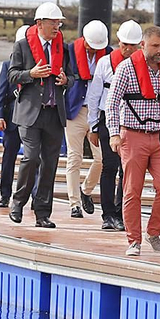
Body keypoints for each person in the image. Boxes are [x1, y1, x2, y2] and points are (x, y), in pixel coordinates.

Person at [107, 24, 160, 257]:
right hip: (133, 135)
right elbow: (112, 102)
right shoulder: (126, 69)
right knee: (131, 190)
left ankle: (153, 232)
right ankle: (134, 240)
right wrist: (114, 133)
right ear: (143, 45)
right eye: (155, 46)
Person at [7, 2, 69, 228]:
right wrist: (30, 74)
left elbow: (70, 75)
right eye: (53, 22)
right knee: (31, 157)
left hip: (54, 113)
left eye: (59, 23)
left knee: (50, 164)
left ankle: (42, 212)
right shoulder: (22, 46)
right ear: (39, 23)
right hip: (30, 113)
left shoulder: (63, 48)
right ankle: (18, 202)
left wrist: (66, 81)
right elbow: (12, 75)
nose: (57, 27)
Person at [87, 19, 140, 232]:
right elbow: (94, 96)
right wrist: (92, 125)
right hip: (107, 121)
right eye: (124, 44)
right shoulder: (105, 63)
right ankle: (108, 214)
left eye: (132, 45)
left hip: (132, 123)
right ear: (118, 42)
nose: (127, 49)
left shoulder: (142, 66)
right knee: (109, 166)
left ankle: (121, 213)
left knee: (126, 169)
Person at [64, 19, 109, 219]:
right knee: (74, 158)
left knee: (101, 158)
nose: (93, 50)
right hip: (75, 110)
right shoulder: (70, 51)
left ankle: (86, 190)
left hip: (97, 113)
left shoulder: (108, 54)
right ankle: (74, 203)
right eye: (91, 47)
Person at [0, 24, 27, 208]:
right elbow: (0, 92)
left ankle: (32, 195)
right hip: (12, 120)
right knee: (8, 159)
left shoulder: (37, 65)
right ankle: (5, 194)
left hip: (30, 119)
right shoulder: (7, 65)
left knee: (33, 159)